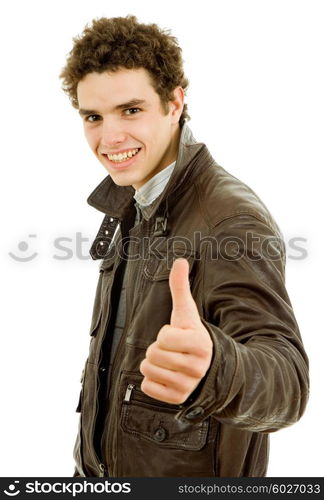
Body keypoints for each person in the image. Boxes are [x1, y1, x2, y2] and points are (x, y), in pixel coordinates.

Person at [60, 15, 309, 477]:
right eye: (93, 117)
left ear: (174, 103)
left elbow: (288, 383)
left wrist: (218, 367)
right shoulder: (136, 197)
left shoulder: (230, 219)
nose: (109, 138)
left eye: (131, 110)